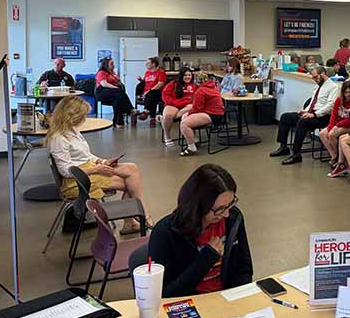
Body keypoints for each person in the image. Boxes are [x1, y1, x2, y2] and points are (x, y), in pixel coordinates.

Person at [46, 96, 149, 234]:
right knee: (130, 183)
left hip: (88, 169)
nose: (84, 119)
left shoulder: (72, 130)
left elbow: (86, 155)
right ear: (72, 115)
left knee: (132, 168)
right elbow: (65, 171)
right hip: (77, 181)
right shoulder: (59, 138)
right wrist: (96, 168)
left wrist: (101, 161)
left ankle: (137, 217)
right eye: (82, 116)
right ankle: (140, 217)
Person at [149, 164, 253, 298]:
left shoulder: (233, 218)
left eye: (231, 204)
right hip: (190, 303)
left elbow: (243, 267)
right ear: (198, 206)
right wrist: (205, 260)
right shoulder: (165, 233)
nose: (226, 214)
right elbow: (166, 294)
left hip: (228, 299)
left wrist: (240, 298)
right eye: (220, 209)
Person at [271, 66, 339, 165]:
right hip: (312, 113)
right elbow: (313, 102)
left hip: (323, 117)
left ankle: (296, 154)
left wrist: (314, 114)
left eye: (316, 77)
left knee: (302, 122)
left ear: (323, 74)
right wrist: (305, 111)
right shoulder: (318, 86)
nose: (315, 80)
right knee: (285, 117)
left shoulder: (334, 87)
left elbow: (330, 106)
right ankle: (283, 147)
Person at [179, 71, 226, 156]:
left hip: (212, 114)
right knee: (185, 116)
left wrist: (189, 114)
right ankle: (194, 140)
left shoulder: (200, 91)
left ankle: (191, 147)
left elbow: (197, 108)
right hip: (218, 113)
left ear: (196, 81)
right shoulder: (213, 87)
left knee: (184, 124)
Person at [319, 80, 350, 170]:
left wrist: (336, 126)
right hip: (338, 124)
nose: (348, 95)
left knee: (331, 135)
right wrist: (331, 127)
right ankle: (335, 156)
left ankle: (340, 158)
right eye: (346, 92)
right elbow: (333, 115)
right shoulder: (339, 100)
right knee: (322, 134)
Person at [95, 56, 137, 128]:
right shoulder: (101, 72)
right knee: (119, 93)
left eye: (113, 63)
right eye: (111, 63)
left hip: (114, 93)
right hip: (102, 92)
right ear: (106, 64)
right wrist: (116, 88)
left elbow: (118, 82)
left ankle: (118, 122)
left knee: (118, 100)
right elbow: (104, 84)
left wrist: (118, 86)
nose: (113, 65)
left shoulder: (113, 73)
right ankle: (130, 110)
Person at [161, 68, 196, 147]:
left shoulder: (194, 86)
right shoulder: (173, 83)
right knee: (168, 115)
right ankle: (167, 136)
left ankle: (166, 119)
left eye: (189, 75)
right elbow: (165, 94)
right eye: (185, 75)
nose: (187, 77)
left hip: (187, 106)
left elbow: (196, 98)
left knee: (192, 107)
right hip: (173, 103)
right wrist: (172, 102)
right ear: (181, 76)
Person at [137, 56, 167, 125]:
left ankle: (146, 111)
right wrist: (140, 80)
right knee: (152, 98)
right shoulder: (147, 73)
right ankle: (152, 118)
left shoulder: (161, 72)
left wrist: (149, 90)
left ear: (153, 64)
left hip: (158, 93)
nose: (146, 64)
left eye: (148, 63)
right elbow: (144, 82)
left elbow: (160, 84)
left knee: (152, 93)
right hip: (148, 94)